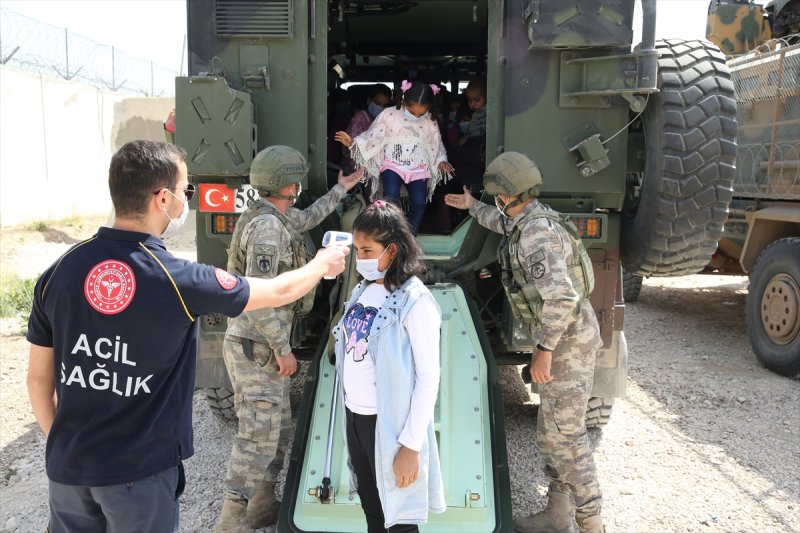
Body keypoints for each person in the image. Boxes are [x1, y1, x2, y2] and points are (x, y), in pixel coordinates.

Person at [25, 140, 349, 533]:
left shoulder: (59, 271)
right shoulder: (178, 279)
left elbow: (38, 380)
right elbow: (274, 292)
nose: (187, 200)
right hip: (138, 476)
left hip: (68, 473)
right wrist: (321, 264)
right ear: (163, 198)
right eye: (185, 191)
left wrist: (65, 450)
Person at [445, 152, 605, 533]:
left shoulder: (535, 234)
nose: (496, 200)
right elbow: (502, 223)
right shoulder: (529, 218)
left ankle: (592, 522)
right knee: (551, 434)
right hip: (566, 337)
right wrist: (472, 207)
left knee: (567, 438)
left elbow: (563, 297)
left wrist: (545, 350)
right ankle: (558, 514)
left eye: (495, 194)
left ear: (507, 194)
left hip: (566, 342)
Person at [215, 145, 364, 532]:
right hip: (257, 345)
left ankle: (261, 505)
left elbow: (307, 217)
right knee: (257, 435)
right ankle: (231, 521)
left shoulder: (275, 217)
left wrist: (341, 189)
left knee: (277, 430)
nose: (298, 188)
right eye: (296, 182)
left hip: (264, 344)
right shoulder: (267, 228)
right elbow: (257, 298)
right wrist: (282, 349)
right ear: (288, 185)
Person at [331, 200, 445, 532]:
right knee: (374, 513)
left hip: (389, 428)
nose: (360, 259)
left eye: (368, 251)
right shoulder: (361, 291)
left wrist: (410, 446)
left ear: (392, 251)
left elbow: (428, 377)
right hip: (356, 420)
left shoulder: (416, 301)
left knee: (400, 520)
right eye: (357, 250)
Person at [334, 80, 453, 232]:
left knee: (419, 202)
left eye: (421, 113)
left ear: (429, 107)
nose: (416, 116)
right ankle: (396, 231)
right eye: (411, 111)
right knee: (391, 198)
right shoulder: (388, 114)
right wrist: (352, 143)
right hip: (391, 164)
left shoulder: (430, 120)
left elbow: (435, 145)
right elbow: (372, 137)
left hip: (418, 167)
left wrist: (441, 161)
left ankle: (411, 233)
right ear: (403, 101)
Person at [341, 84, 393, 174]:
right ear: (369, 101)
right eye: (378, 104)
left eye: (384, 105)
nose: (381, 108)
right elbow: (350, 147)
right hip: (356, 167)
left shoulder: (387, 120)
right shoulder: (360, 118)